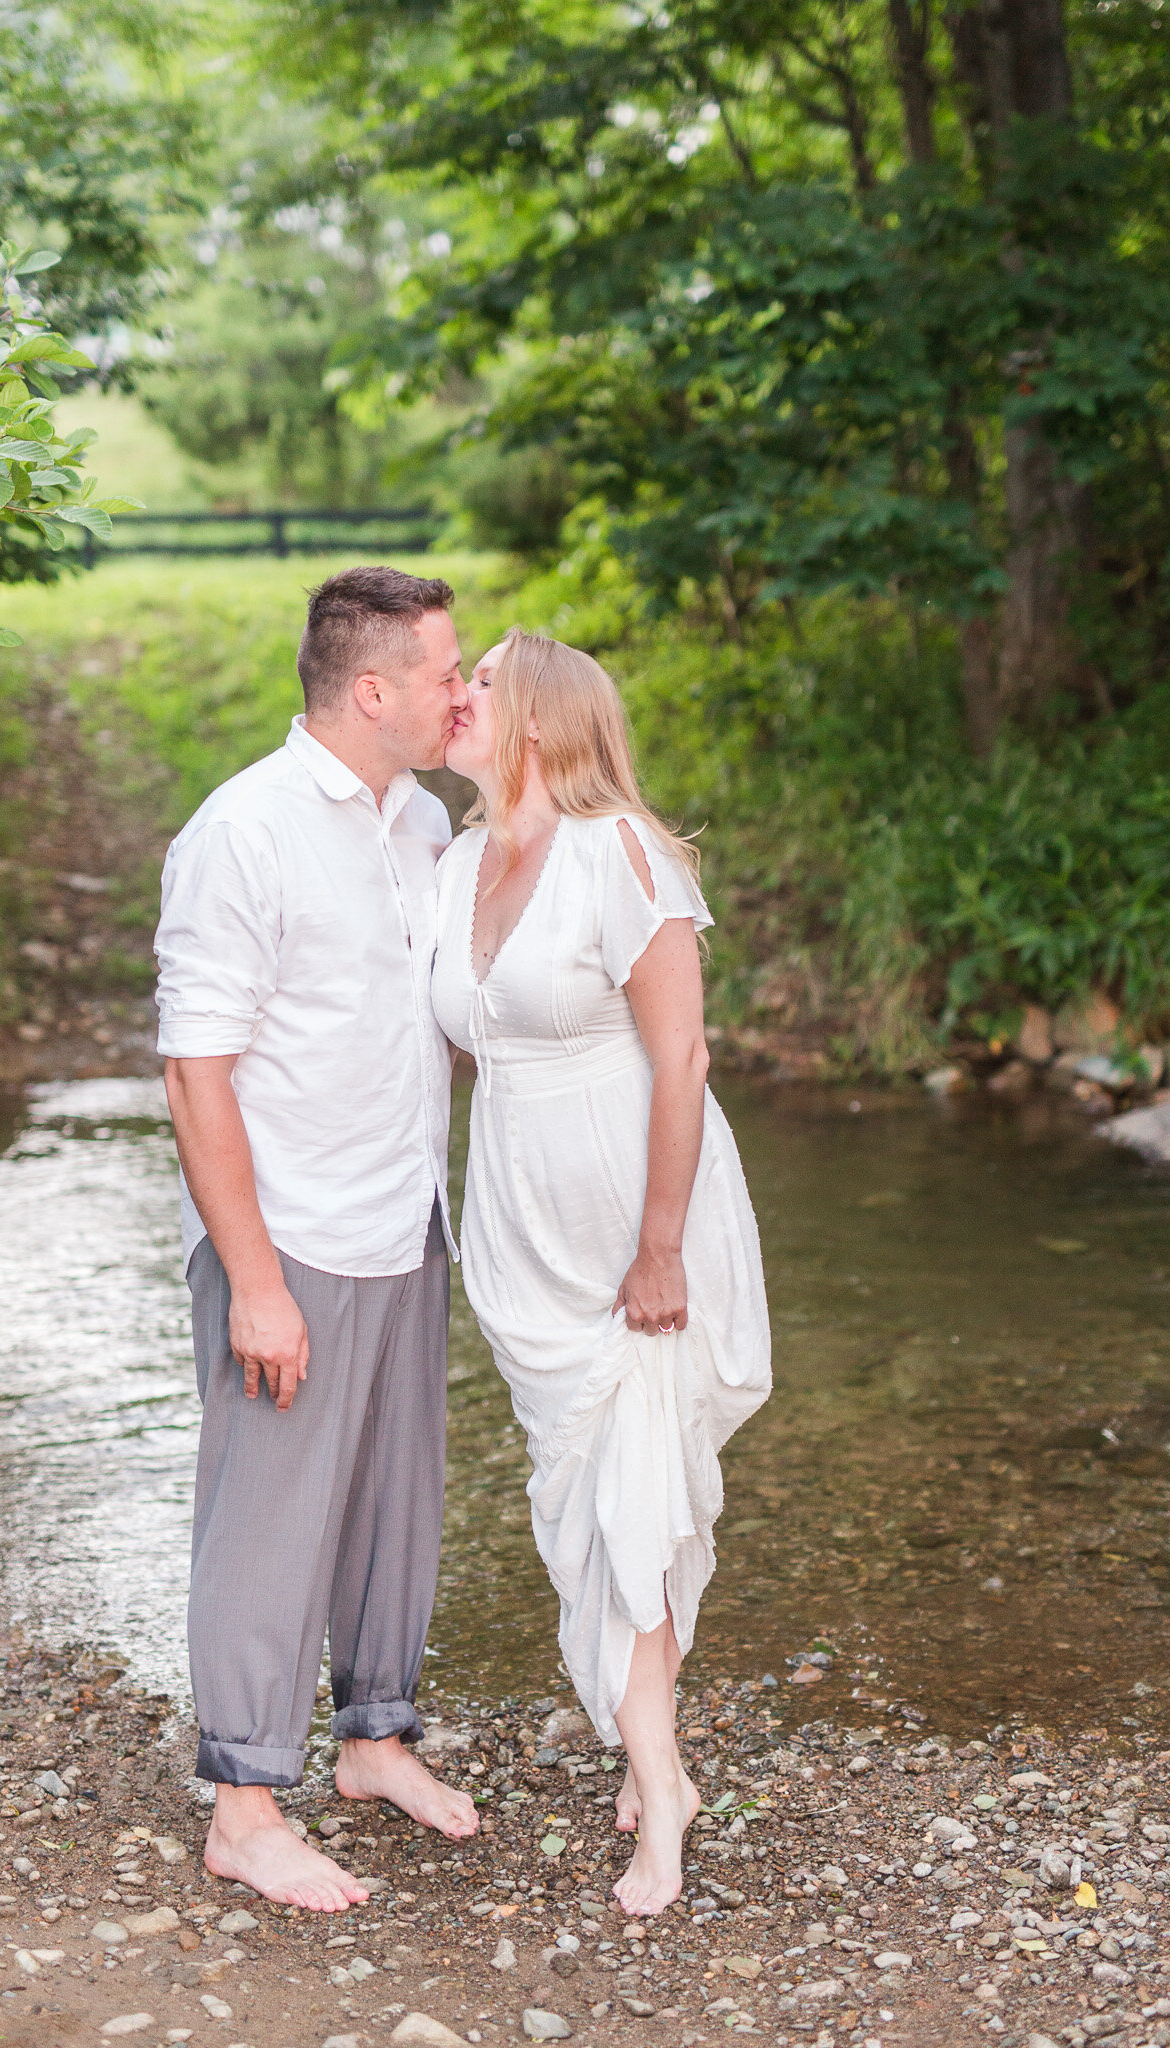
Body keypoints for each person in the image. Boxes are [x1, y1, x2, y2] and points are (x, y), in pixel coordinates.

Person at [432, 627, 772, 1917]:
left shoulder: (618, 854)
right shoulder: (458, 862)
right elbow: (470, 1043)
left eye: (481, 684)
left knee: (638, 1488)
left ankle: (662, 1802)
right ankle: (654, 1753)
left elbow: (679, 1060)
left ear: (539, 719)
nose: (457, 699)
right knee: (587, 1497)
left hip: (642, 1212)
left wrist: (661, 1244)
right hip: (524, 1220)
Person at [154, 565, 477, 1914]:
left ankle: (374, 1743)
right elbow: (194, 1073)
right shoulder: (244, 831)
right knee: (270, 1520)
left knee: (397, 1508)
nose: (461, 695)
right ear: (371, 690)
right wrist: (254, 1282)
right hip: (288, 1240)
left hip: (404, 1216)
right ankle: (241, 1805)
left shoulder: (421, 825)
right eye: (444, 674)